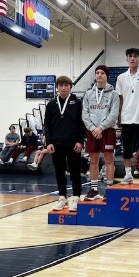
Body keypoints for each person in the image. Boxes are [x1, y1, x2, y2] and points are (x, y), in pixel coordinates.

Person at [45, 75, 85, 212]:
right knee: (59, 172)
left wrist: (80, 141)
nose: (63, 88)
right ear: (57, 87)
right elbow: (47, 126)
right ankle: (62, 197)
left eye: (66, 85)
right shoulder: (51, 104)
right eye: (61, 85)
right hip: (56, 144)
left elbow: (81, 124)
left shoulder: (77, 102)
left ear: (70, 87)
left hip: (73, 144)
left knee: (75, 172)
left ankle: (76, 197)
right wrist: (48, 142)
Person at [82, 65, 119, 200]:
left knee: (109, 160)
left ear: (107, 75)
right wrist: (92, 128)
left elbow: (114, 114)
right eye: (97, 72)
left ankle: (109, 189)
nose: (99, 75)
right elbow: (85, 114)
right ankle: (93, 189)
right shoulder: (88, 93)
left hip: (107, 130)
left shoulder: (113, 93)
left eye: (102, 73)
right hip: (92, 131)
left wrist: (101, 127)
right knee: (93, 160)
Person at [116, 48, 139, 185]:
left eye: (135, 56)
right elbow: (120, 98)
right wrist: (119, 116)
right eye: (130, 56)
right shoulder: (121, 77)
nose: (132, 59)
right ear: (127, 58)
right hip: (126, 117)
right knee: (127, 148)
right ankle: (128, 174)